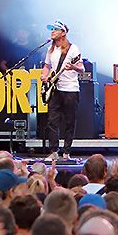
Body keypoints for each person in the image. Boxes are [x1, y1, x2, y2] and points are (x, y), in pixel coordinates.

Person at [40, 20, 84, 161]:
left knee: (69, 122)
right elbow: (47, 66)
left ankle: (66, 152)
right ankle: (54, 152)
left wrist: (74, 67)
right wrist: (44, 75)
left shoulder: (73, 49)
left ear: (63, 32)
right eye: (51, 29)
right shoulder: (50, 49)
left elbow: (82, 68)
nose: (52, 31)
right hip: (56, 89)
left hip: (70, 89)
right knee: (52, 121)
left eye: (56, 29)